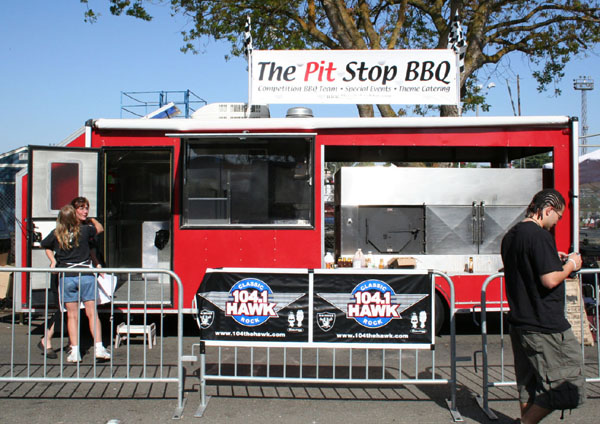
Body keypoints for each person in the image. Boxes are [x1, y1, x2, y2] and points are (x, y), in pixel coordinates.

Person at [501, 189, 585, 423]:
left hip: (520, 323)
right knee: (567, 387)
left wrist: (551, 257)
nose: (556, 223)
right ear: (548, 210)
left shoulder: (511, 235)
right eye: (557, 217)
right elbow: (549, 280)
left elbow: (526, 266)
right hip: (545, 325)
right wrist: (571, 264)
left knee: (528, 385)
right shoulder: (539, 236)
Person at [40, 204, 110, 362]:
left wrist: (52, 261)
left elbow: (45, 245)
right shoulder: (85, 231)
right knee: (92, 313)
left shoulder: (57, 233)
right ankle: (99, 348)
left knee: (72, 316)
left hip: (67, 276)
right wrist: (92, 219)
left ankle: (75, 352)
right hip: (85, 275)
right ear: (74, 217)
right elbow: (99, 228)